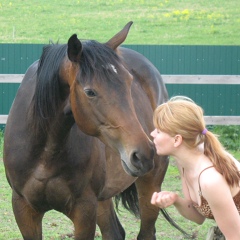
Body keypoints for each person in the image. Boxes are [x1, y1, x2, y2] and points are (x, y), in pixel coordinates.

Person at [150, 96, 240, 239]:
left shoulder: (210, 180)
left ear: (177, 140)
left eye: (159, 131)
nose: (152, 134)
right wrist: (176, 200)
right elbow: (199, 217)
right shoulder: (185, 162)